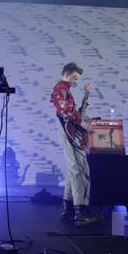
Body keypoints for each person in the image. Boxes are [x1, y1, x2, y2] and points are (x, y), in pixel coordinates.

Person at [51, 62, 101, 226]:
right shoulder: (60, 89)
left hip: (72, 132)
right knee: (78, 170)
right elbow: (66, 112)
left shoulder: (65, 90)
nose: (75, 82)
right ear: (66, 73)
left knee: (78, 170)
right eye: (74, 78)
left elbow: (73, 112)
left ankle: (68, 209)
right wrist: (82, 122)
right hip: (68, 131)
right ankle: (80, 211)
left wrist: (85, 100)